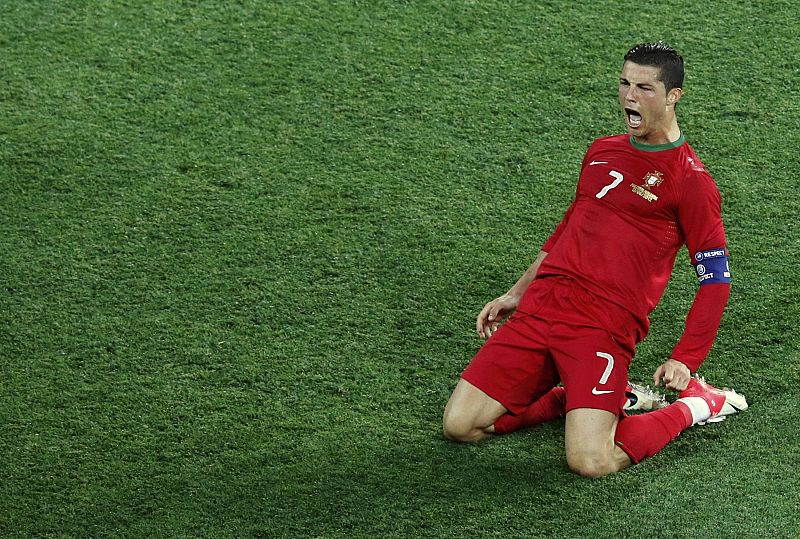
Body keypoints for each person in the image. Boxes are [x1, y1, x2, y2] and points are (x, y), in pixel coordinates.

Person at [442, 42, 747, 477]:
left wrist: (685, 359)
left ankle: (698, 406)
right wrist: (517, 292)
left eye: (644, 88)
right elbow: (569, 228)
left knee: (591, 461)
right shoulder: (602, 150)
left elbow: (715, 279)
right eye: (625, 83)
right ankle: (570, 397)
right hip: (543, 306)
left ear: (673, 96)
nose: (629, 96)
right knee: (461, 426)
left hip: (602, 324)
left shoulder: (690, 182)